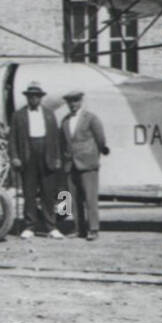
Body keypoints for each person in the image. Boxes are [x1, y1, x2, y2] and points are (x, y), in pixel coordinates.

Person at [8, 81, 65, 239]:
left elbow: (56, 139)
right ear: (27, 98)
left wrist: (57, 158)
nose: (33, 99)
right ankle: (30, 226)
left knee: (48, 193)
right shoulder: (18, 115)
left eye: (36, 96)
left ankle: (51, 226)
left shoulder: (49, 114)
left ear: (41, 98)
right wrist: (14, 157)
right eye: (31, 96)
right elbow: (12, 139)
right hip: (28, 156)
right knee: (29, 193)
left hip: (47, 155)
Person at [59, 90, 109, 240]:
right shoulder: (65, 121)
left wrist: (94, 156)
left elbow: (100, 139)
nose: (72, 104)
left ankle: (93, 229)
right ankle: (79, 229)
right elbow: (63, 142)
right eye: (69, 102)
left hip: (88, 164)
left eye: (75, 101)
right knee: (74, 199)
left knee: (90, 198)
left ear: (80, 101)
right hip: (70, 164)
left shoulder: (91, 118)